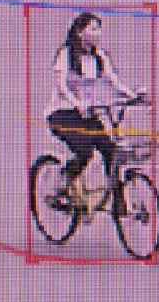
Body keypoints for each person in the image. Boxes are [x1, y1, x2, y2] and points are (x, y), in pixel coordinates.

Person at [46, 12, 138, 200]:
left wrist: (133, 96)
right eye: (93, 29)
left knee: (111, 150)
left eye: (99, 29)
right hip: (63, 113)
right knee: (84, 150)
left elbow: (114, 81)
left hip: (88, 114)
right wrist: (76, 103)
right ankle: (65, 180)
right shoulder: (66, 54)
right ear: (80, 32)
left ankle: (119, 202)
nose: (98, 33)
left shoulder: (99, 56)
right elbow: (61, 86)